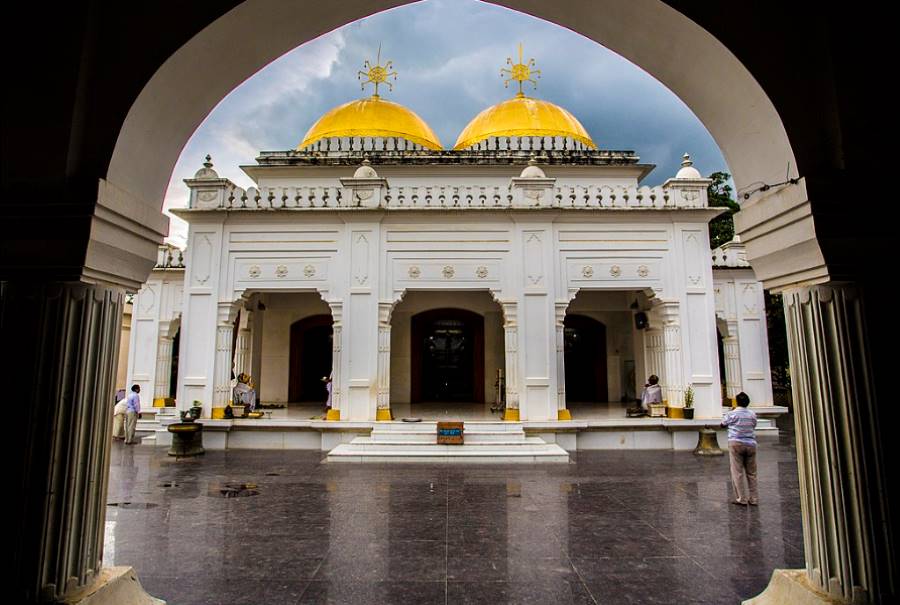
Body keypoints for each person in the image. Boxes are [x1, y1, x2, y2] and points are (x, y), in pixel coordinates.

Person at [720, 391, 758, 505]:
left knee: (737, 472)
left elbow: (722, 424)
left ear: (737, 402)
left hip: (736, 443)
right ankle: (754, 498)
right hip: (751, 444)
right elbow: (754, 425)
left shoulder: (732, 414)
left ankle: (741, 498)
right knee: (752, 473)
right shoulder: (752, 414)